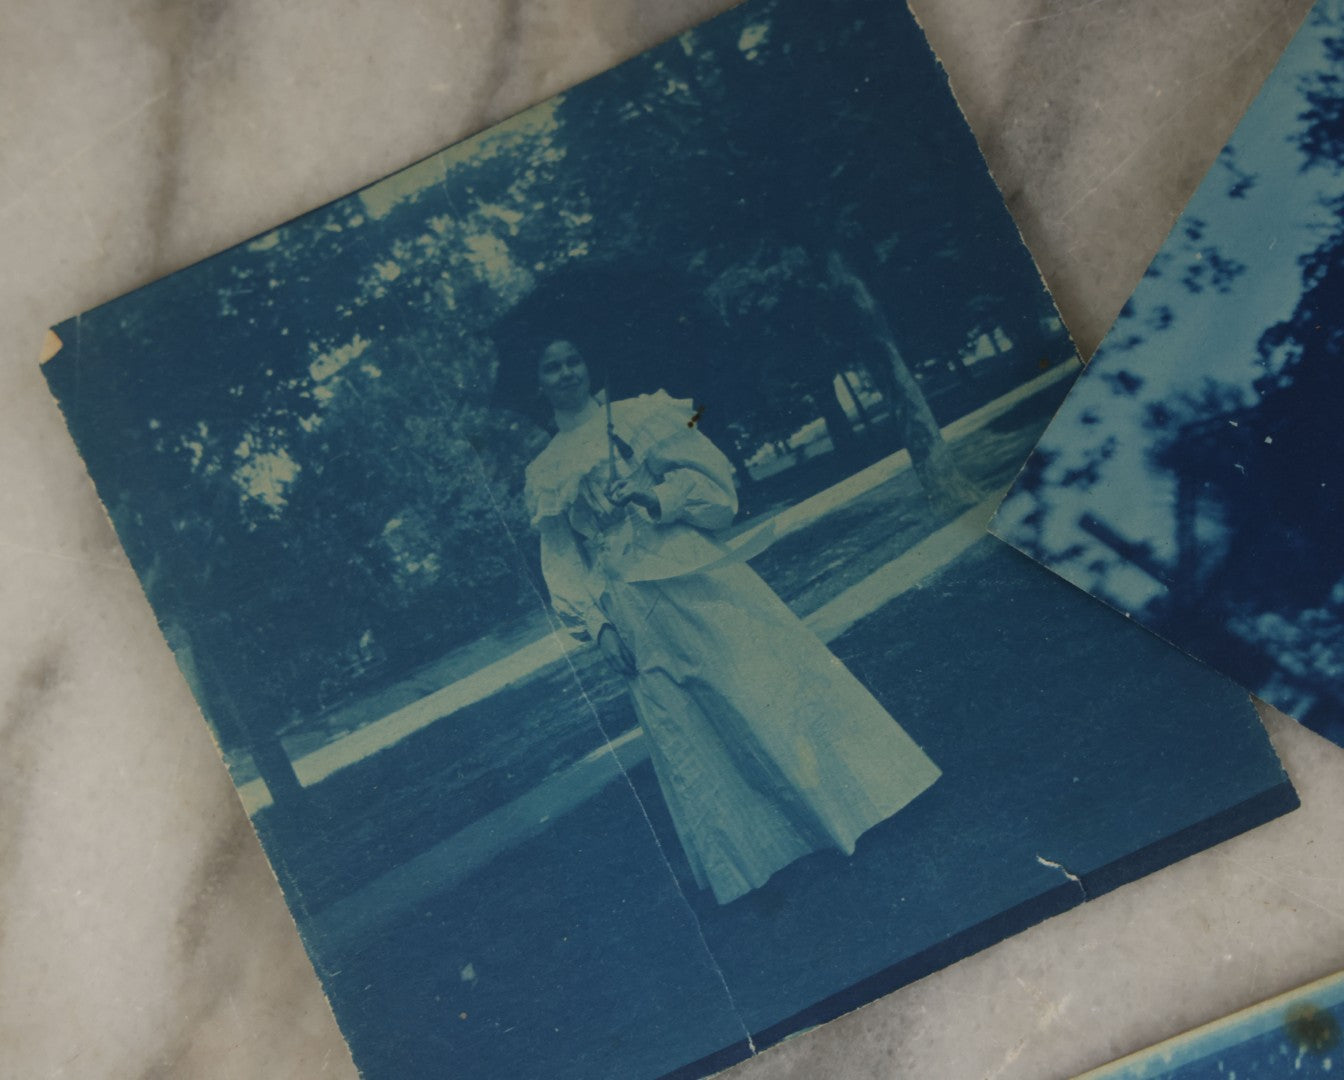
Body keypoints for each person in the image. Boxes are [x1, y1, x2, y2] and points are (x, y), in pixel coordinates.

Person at [524, 340, 940, 904]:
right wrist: (597, 627)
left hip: (693, 576)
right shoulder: (546, 470)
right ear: (538, 381)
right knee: (690, 730)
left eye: (574, 360)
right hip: (630, 608)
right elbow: (562, 558)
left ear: (588, 364)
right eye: (552, 366)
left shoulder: (641, 416)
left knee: (762, 688)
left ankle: (853, 806)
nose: (567, 372)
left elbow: (719, 496)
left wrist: (655, 497)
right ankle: (758, 858)